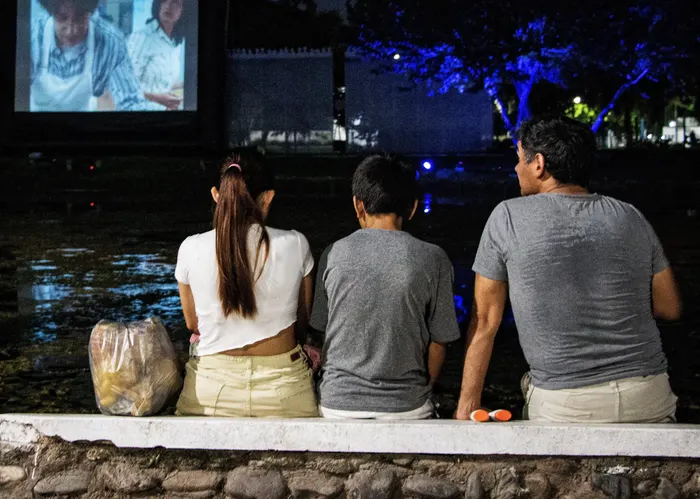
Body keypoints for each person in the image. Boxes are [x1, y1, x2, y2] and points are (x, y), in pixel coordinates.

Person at [455, 116, 681, 423]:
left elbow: (484, 322)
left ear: (539, 164)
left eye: (519, 158)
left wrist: (467, 405)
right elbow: (669, 307)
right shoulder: (630, 216)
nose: (516, 168)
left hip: (567, 403)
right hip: (648, 393)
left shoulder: (507, 216)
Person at [309, 155, 460, 419]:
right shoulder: (434, 258)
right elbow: (440, 342)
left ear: (358, 205)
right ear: (412, 208)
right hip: (407, 407)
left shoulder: (333, 254)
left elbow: (322, 331)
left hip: (337, 405)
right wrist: (423, 389)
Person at [175, 149, 318, 417]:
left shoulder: (190, 248)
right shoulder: (295, 244)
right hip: (284, 391)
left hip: (210, 391)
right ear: (268, 198)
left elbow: (194, 324)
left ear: (217, 195)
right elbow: (301, 322)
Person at [29, 0, 155, 112]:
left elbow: (130, 101)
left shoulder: (110, 43)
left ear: (92, 12)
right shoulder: (32, 36)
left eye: (80, 17)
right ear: (50, 12)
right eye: (62, 18)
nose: (70, 31)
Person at [126, 0, 191, 111]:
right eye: (164, 0)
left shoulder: (175, 43)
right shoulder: (143, 37)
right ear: (158, 4)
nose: (168, 6)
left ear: (184, 10)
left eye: (175, 2)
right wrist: (158, 99)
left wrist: (186, 84)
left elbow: (160, 83)